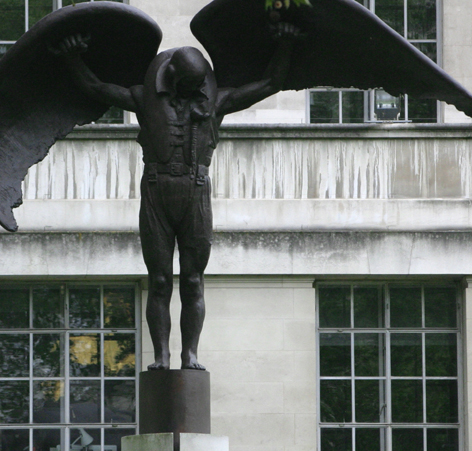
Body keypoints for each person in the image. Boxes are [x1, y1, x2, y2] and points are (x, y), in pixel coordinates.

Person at [52, 24, 299, 370]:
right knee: (160, 280)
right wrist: (73, 57)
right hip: (156, 191)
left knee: (194, 280)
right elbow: (95, 87)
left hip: (196, 192)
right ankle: (162, 357)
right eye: (188, 85)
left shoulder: (218, 100)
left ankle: (190, 355)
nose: (196, 90)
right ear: (172, 77)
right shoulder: (143, 98)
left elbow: (271, 83)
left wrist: (285, 44)